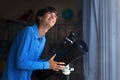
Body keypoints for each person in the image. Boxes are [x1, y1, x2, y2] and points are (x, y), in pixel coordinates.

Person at [1, 6, 65, 80]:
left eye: (55, 16)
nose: (53, 17)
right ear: (40, 17)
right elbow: (21, 62)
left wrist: (52, 63)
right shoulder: (28, 32)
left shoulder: (43, 39)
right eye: (50, 13)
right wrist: (46, 65)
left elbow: (32, 62)